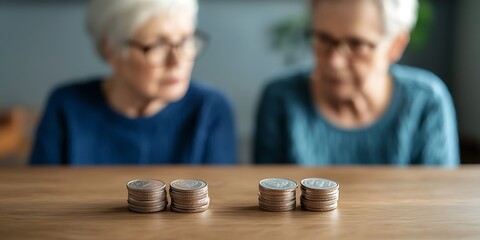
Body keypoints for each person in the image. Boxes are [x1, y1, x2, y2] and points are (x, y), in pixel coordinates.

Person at [30, 0, 237, 165]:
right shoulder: (66, 106)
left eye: (186, 40)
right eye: (157, 45)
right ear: (111, 51)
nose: (177, 61)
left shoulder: (211, 109)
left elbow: (218, 207)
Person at [254, 0, 459, 166]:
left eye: (356, 44)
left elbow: (436, 202)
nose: (334, 62)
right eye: (323, 39)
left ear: (396, 45)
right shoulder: (280, 98)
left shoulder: (426, 101)